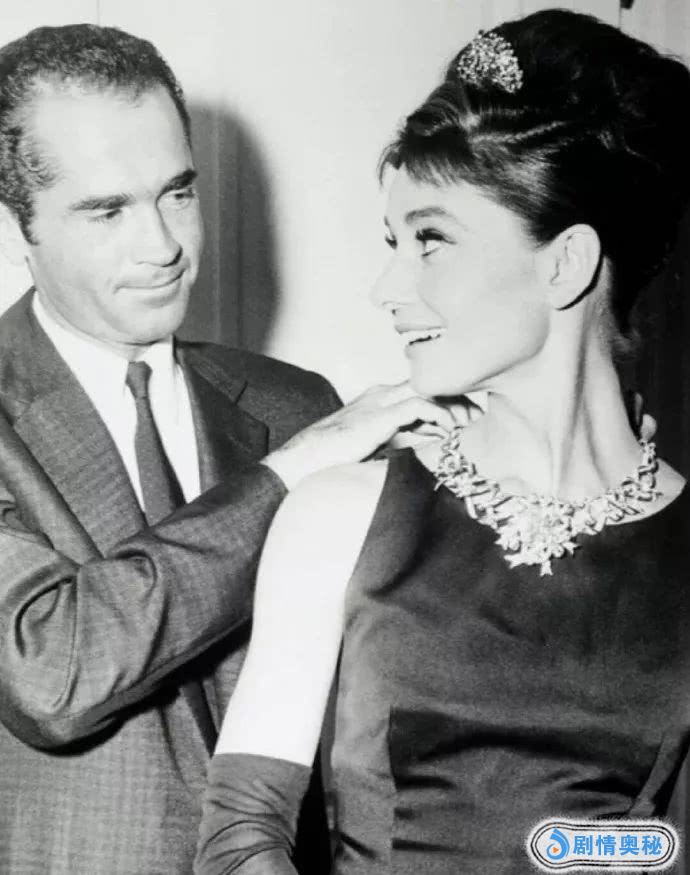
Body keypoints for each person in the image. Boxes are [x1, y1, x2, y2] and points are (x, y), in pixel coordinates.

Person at [195, 9, 690, 874]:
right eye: (395, 242)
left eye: (431, 240)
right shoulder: (342, 516)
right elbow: (241, 835)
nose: (388, 287)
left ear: (565, 263)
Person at [0, 24, 456, 875]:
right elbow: (52, 672)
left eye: (178, 192)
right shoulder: (311, 444)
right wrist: (289, 475)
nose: (163, 245)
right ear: (15, 226)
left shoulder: (297, 405)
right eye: (107, 210)